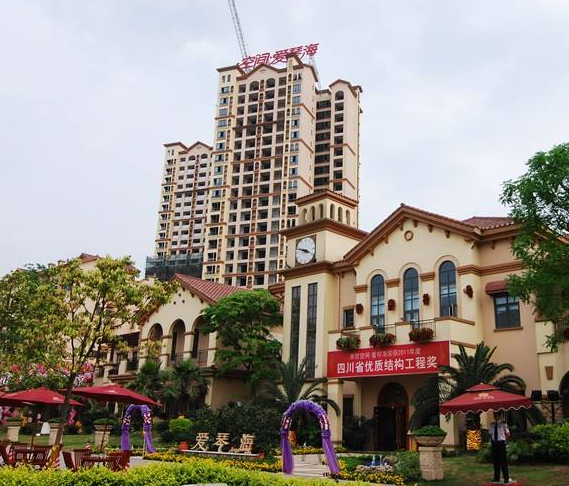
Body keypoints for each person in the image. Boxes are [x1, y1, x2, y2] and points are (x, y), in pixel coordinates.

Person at [490, 411, 510, 483]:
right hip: (494, 443)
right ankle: (496, 477)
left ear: (500, 415)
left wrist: (504, 440)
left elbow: (508, 434)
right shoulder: (492, 425)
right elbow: (491, 434)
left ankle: (506, 478)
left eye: (496, 415)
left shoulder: (503, 424)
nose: (495, 416)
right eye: (494, 415)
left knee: (503, 461)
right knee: (495, 461)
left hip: (501, 443)